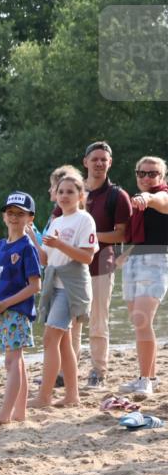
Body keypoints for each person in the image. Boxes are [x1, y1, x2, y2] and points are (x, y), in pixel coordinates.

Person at [30, 174, 98, 408]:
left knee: (50, 339)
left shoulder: (84, 219)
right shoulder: (56, 222)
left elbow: (87, 257)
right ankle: (72, 396)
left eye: (70, 191)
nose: (65, 196)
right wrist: (33, 239)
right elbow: (46, 260)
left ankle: (44, 396)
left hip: (71, 286)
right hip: (54, 285)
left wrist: (59, 244)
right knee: (63, 341)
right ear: (55, 196)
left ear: (81, 196)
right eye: (61, 192)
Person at [0, 192, 42, 425]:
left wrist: (5, 303)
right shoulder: (0, 246)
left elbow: (35, 286)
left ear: (30, 218)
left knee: (13, 361)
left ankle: (4, 415)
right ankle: (19, 412)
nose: (14, 217)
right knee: (15, 361)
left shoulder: (27, 247)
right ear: (4, 216)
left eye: (20, 213)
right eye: (10, 213)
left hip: (17, 311)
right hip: (0, 311)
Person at [78, 141, 132, 388]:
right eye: (95, 158)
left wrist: (90, 236)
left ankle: (98, 371)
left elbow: (122, 235)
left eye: (104, 159)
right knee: (69, 321)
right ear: (85, 162)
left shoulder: (117, 196)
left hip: (101, 266)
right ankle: (64, 370)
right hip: (72, 266)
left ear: (110, 163)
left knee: (98, 320)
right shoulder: (73, 191)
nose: (99, 163)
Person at [118, 156, 168, 397]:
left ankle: (145, 380)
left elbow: (158, 200)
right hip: (135, 261)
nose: (147, 178)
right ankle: (150, 376)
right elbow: (142, 237)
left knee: (142, 322)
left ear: (162, 177)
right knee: (138, 323)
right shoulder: (136, 203)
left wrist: (146, 198)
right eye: (142, 173)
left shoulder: (162, 196)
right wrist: (125, 255)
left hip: (156, 261)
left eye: (153, 173)